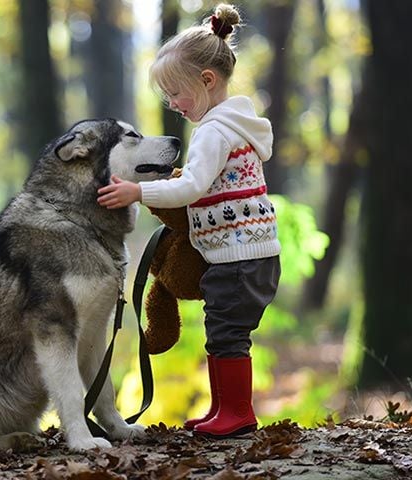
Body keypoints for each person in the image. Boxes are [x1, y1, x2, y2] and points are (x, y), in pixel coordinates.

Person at [97, 3, 280, 437]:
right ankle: (225, 409)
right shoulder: (234, 124)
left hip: (240, 256)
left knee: (228, 335)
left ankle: (237, 412)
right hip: (245, 253)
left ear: (207, 81)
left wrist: (138, 191)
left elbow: (192, 188)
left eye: (176, 93)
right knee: (222, 332)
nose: (173, 104)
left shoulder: (216, 131)